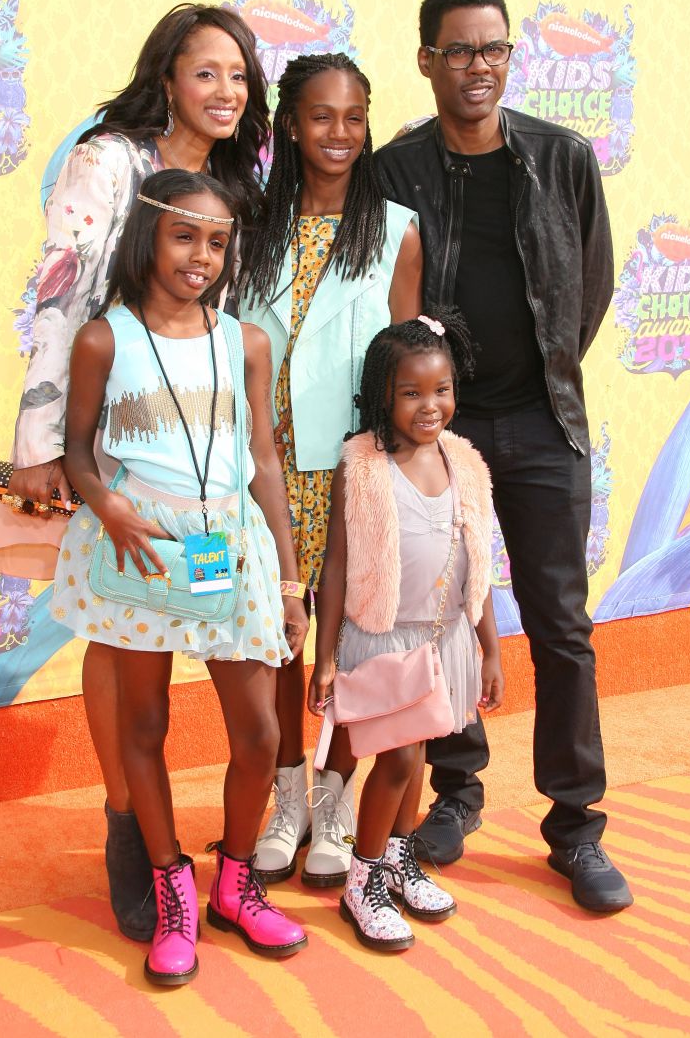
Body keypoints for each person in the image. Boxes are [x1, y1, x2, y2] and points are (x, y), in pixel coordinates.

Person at [0, 3, 270, 941]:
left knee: (170, 622)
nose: (226, 92)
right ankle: (125, 822)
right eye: (206, 73)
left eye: (239, 75)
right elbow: (61, 293)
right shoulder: (109, 158)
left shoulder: (230, 176)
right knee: (118, 631)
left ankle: (182, 848)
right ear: (167, 77)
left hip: (193, 449)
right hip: (102, 432)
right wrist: (42, 448)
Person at [374, 0, 633, 913]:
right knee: (438, 615)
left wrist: (545, 379)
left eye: (493, 49)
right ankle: (454, 795)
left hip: (542, 426)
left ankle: (576, 828)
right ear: (426, 60)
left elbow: (590, 283)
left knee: (562, 628)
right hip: (440, 434)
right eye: (458, 51)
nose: (477, 67)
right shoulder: (397, 170)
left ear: (510, 57)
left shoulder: (561, 156)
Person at [51, 169, 310, 985]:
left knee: (262, 734)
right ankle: (171, 889)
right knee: (143, 726)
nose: (202, 256)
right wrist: (108, 506)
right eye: (184, 236)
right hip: (140, 555)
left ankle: (235, 882)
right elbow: (79, 450)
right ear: (148, 236)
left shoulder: (246, 341)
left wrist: (293, 579)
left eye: (219, 241)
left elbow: (264, 458)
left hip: (228, 553)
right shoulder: (105, 338)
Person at [238, 52, 423, 887]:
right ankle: (287, 794)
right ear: (288, 123)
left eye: (353, 116)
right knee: (281, 640)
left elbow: (408, 361)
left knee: (355, 640)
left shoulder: (394, 229)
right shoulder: (247, 227)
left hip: (354, 473)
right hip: (267, 474)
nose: (338, 133)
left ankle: (338, 799)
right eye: (320, 116)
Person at [308, 311, 502, 950]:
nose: (430, 405)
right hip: (386, 638)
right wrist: (327, 655)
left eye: (441, 389)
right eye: (412, 392)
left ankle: (395, 854)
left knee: (417, 762)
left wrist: (488, 648)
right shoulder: (362, 465)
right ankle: (361, 882)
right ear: (381, 395)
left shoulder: (465, 462)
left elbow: (480, 559)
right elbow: (335, 565)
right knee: (396, 761)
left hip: (445, 637)